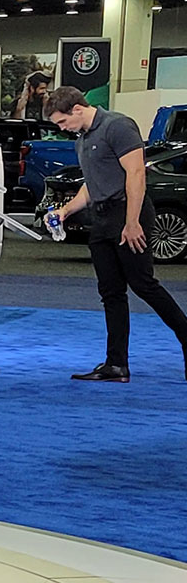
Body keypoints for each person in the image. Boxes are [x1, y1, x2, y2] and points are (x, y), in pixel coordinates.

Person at [44, 85, 187, 382]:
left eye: (62, 122)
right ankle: (116, 365)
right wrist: (65, 210)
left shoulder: (118, 126)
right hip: (102, 218)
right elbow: (91, 183)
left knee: (143, 284)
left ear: (78, 109)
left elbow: (136, 174)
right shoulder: (82, 139)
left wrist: (132, 222)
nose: (62, 128)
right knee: (110, 292)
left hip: (128, 213)